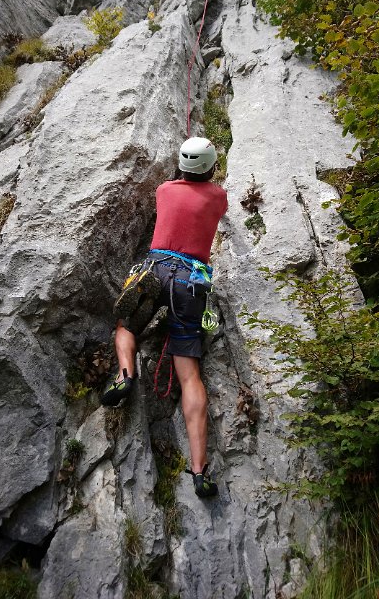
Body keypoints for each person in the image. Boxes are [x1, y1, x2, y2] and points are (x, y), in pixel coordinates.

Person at [101, 137, 228, 498]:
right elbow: (211, 203)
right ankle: (199, 471)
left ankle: (125, 374)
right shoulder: (218, 197)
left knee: (126, 325)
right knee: (189, 375)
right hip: (190, 282)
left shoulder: (164, 190)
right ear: (210, 167)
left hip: (154, 270)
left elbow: (178, 187)